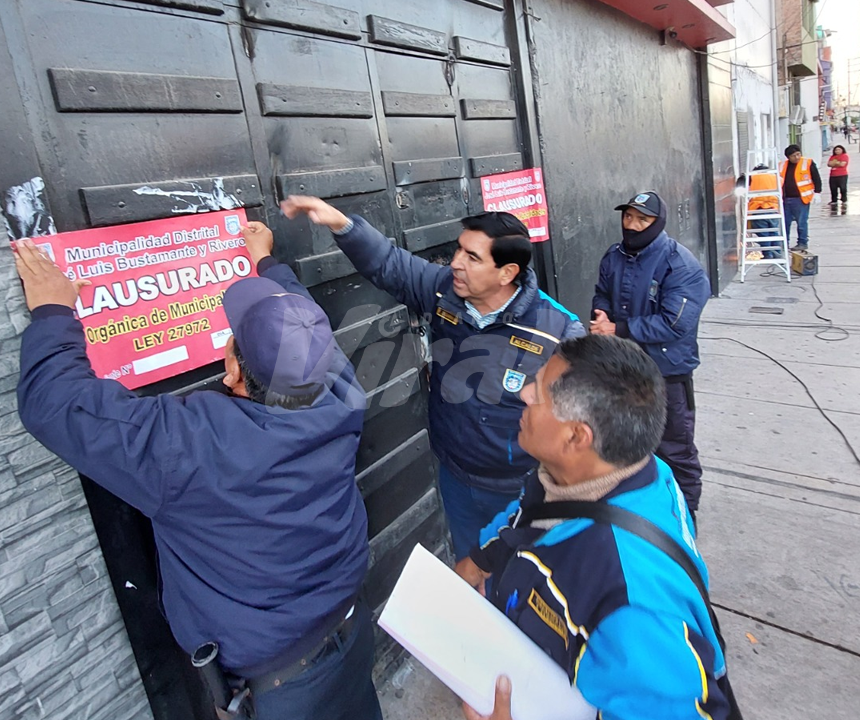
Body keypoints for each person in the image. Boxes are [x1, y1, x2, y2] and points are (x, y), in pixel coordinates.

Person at [12, 224, 381, 720]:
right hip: (352, 637)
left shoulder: (193, 444)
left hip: (286, 692)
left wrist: (53, 311)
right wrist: (267, 265)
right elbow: (308, 330)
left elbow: (55, 403)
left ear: (232, 370)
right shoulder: (338, 391)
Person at [279, 196, 585, 561]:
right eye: (459, 251)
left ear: (507, 273)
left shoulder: (559, 332)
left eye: (472, 258)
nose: (455, 263)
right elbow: (390, 264)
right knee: (470, 569)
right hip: (456, 477)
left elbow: (581, 422)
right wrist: (341, 224)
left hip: (521, 489)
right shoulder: (444, 292)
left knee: (523, 576)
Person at [454, 335, 731, 720]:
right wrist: (480, 559)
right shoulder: (618, 473)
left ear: (576, 436)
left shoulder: (632, 605)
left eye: (540, 393)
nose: (524, 395)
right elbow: (528, 514)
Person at [589, 192, 709, 515]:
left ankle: (684, 520)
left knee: (675, 450)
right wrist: (601, 316)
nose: (633, 225)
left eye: (643, 220)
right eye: (628, 217)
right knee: (625, 445)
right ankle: (638, 513)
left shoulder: (680, 264)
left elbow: (675, 322)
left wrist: (618, 329)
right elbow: (602, 294)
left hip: (666, 374)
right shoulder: (613, 257)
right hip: (622, 370)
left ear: (659, 223)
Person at [779, 144, 822, 251]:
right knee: (785, 223)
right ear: (788, 157)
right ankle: (784, 243)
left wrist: (817, 192)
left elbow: (816, 178)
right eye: (794, 155)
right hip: (785, 199)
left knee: (802, 222)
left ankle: (802, 242)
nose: (797, 157)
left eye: (798, 154)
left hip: (801, 199)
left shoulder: (808, 163)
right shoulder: (781, 165)